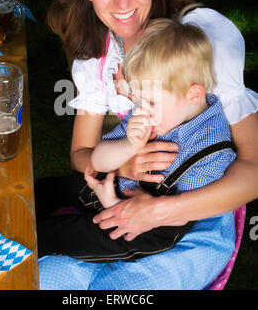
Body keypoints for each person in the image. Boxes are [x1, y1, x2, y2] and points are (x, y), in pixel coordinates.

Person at [37, 0, 258, 289]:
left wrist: (157, 210)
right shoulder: (97, 58)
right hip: (120, 200)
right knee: (45, 279)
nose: (122, 1)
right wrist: (122, 164)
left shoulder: (201, 40)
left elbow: (255, 167)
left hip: (196, 215)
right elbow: (81, 154)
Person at [37, 18, 236, 263]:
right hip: (113, 188)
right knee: (47, 190)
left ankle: (2, 252)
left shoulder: (211, 151)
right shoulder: (153, 111)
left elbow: (181, 215)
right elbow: (98, 159)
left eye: (150, 102)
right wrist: (130, 145)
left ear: (193, 94)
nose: (142, 109)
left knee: (55, 235)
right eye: (139, 100)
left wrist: (114, 204)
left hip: (146, 228)